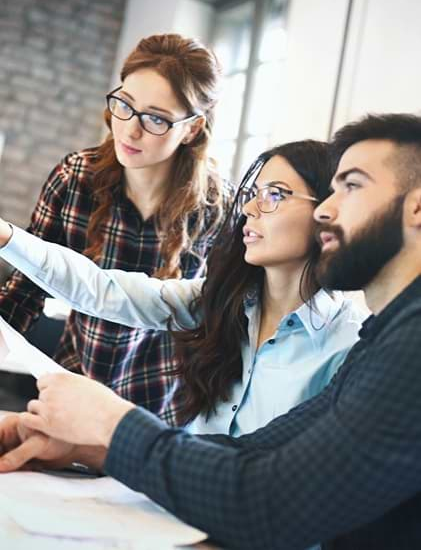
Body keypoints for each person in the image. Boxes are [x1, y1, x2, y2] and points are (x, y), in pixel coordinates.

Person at [1, 112, 421, 550]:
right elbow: (256, 453)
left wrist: (112, 421)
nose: (328, 211)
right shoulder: (383, 338)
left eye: (351, 186)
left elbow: (269, 501)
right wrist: (92, 447)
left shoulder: (395, 346)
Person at [0, 140, 366, 437]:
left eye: (275, 194)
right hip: (177, 510)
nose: (251, 208)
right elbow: (100, 289)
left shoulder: (346, 346)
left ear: (328, 211)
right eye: (254, 193)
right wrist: (8, 236)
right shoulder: (220, 301)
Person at [0, 33, 234, 424]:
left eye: (156, 118)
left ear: (192, 129)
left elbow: (219, 324)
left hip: (166, 408)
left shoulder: (218, 209)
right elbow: (25, 290)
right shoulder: (76, 178)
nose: (129, 130)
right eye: (125, 105)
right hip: (75, 389)